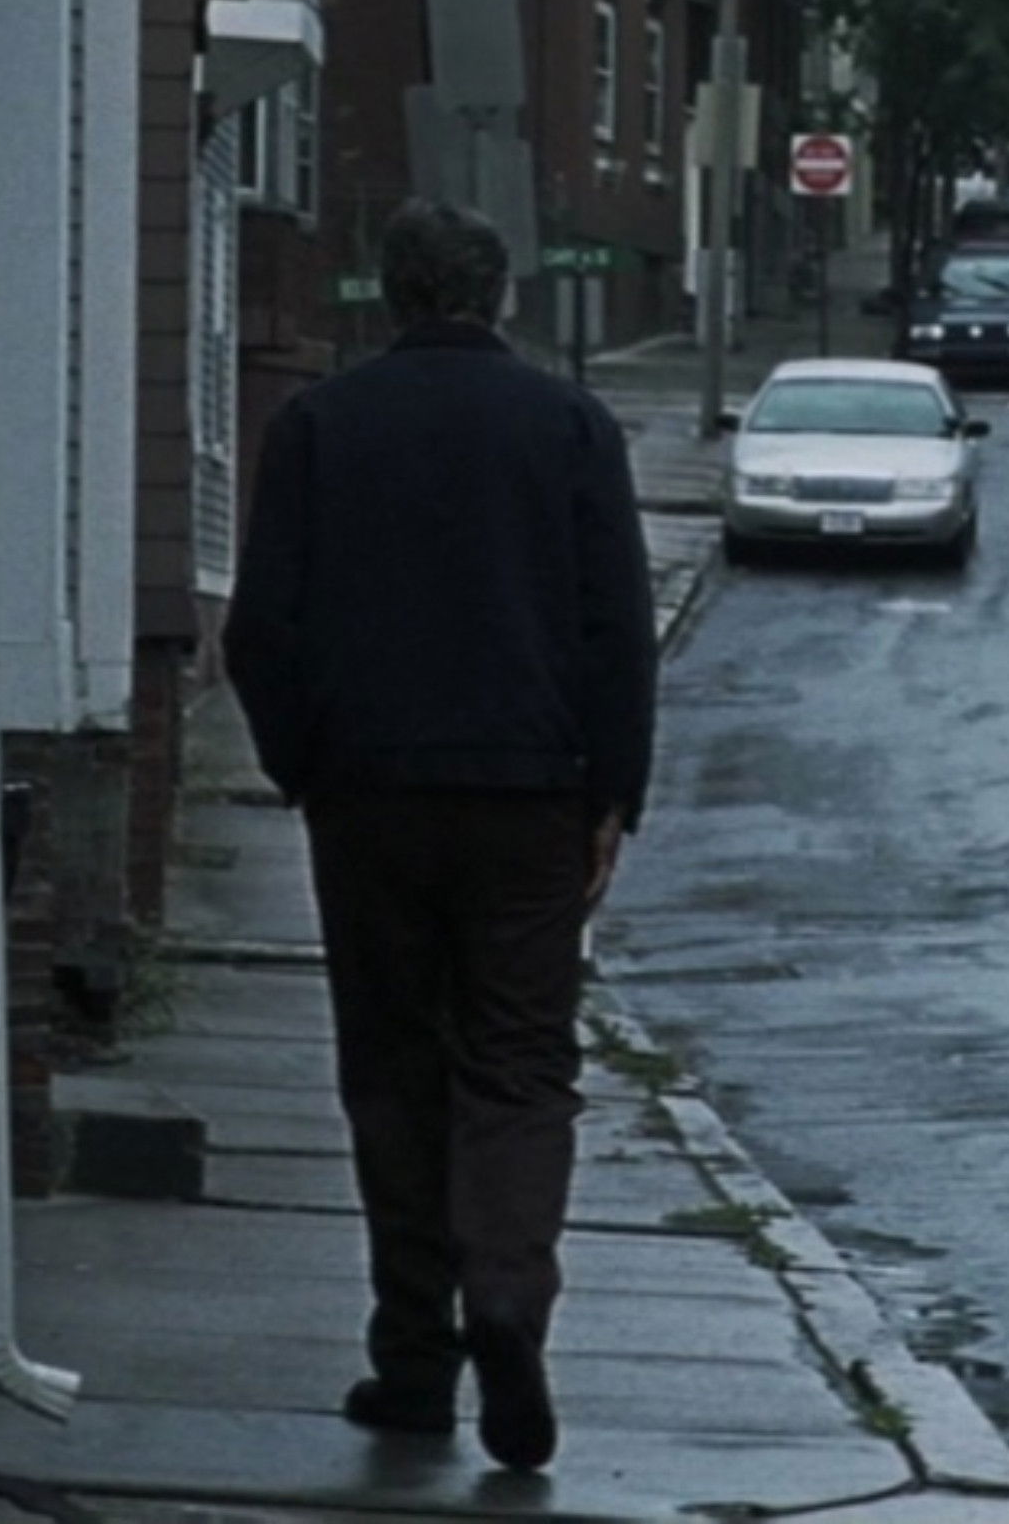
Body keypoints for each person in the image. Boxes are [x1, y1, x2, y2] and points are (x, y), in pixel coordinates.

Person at [221, 200, 658, 1474]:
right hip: (529, 794)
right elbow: (616, 629)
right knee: (520, 1065)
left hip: (369, 793)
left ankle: (416, 1360)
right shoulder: (570, 426)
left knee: (393, 1069)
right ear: (500, 294)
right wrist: (611, 794)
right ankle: (508, 1292)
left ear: (391, 292)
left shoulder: (320, 424)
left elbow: (262, 628)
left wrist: (303, 763)